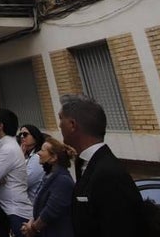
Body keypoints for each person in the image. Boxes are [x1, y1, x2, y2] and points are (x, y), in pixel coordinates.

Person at [58, 95, 146, 237]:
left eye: (61, 118)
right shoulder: (87, 164)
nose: (59, 125)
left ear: (72, 125)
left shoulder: (109, 175)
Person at [0, 108, 33, 234]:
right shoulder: (6, 145)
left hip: (15, 211)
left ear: (0, 125)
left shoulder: (8, 148)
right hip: (11, 209)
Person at [21, 136, 75, 237]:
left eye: (42, 150)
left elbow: (50, 211)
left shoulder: (63, 180)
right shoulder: (49, 177)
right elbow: (41, 207)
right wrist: (31, 222)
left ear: (54, 157)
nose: (38, 153)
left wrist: (33, 228)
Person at [18, 124, 46, 201]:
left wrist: (20, 157)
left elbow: (23, 182)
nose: (22, 137)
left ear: (35, 136)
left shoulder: (37, 157)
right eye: (20, 134)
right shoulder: (28, 156)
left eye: (25, 134)